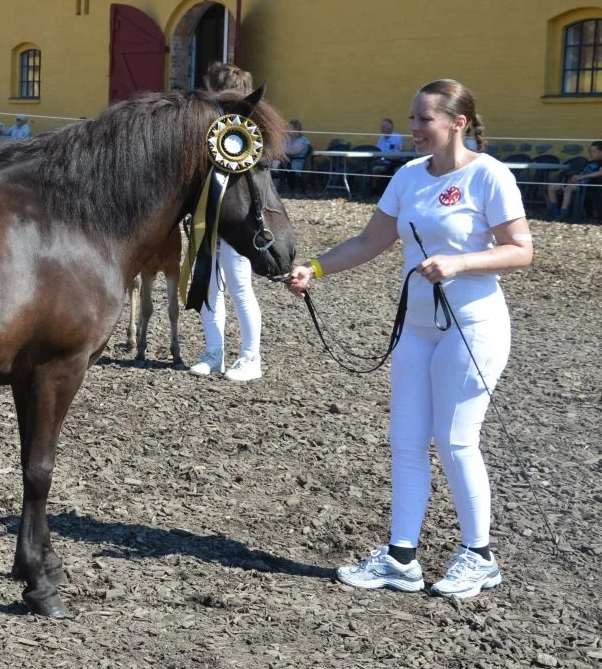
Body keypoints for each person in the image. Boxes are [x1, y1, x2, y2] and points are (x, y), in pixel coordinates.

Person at [284, 79, 532, 599]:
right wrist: (314, 268)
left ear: (457, 123)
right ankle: (401, 557)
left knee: (457, 440)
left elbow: (520, 251)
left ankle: (478, 556)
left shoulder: (490, 176)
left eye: (425, 120)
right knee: (407, 444)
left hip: (474, 327)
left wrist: (460, 262)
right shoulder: (409, 176)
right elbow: (372, 240)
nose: (415, 128)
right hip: (417, 329)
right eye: (413, 119)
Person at [189, 62, 263, 382]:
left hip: (237, 219)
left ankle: (251, 356)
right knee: (208, 284)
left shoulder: (246, 132)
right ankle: (214, 351)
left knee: (239, 286)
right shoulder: (206, 127)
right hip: (208, 215)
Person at [546, 140, 602, 220]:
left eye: (594, 151)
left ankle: (563, 213)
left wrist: (582, 177)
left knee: (568, 189)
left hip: (586, 185)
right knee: (551, 187)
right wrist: (573, 177)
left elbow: (600, 173)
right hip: (577, 182)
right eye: (590, 151)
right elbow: (581, 172)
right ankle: (554, 212)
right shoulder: (590, 162)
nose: (591, 153)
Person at [281, 119, 311, 192]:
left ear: (296, 129)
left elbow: (294, 152)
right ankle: (278, 185)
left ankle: (293, 186)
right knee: (277, 161)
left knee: (281, 161)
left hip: (298, 160)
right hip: (286, 159)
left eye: (289, 127)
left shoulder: (304, 140)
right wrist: (283, 152)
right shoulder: (287, 139)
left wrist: (282, 152)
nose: (287, 129)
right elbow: (282, 148)